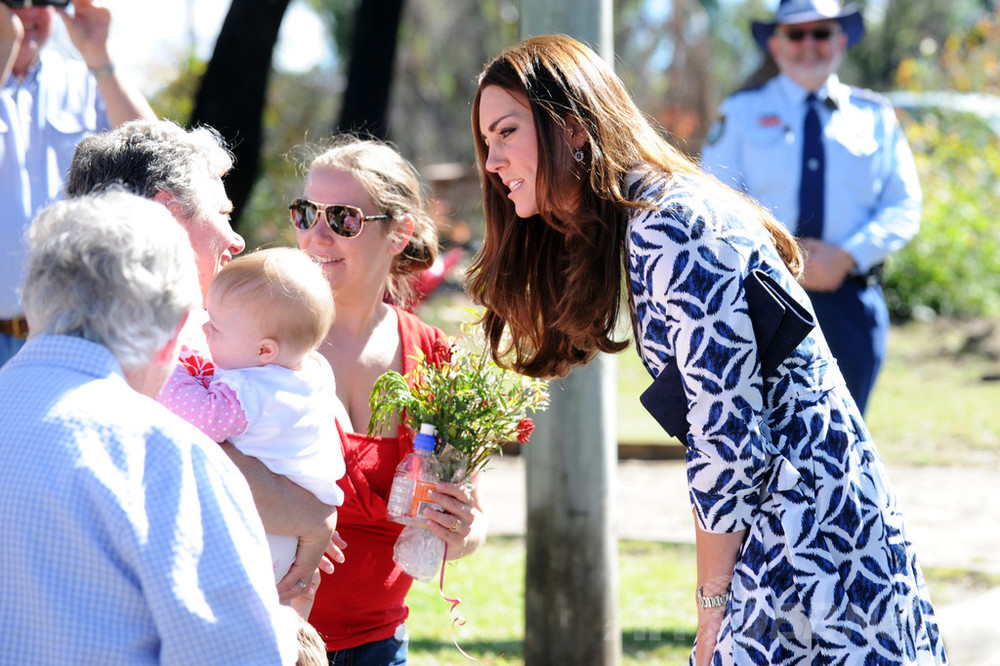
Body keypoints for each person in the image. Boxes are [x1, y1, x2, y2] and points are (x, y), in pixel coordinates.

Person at [467, 35, 947, 665]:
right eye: (486, 143)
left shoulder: (669, 223)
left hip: (812, 558)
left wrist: (710, 609)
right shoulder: (654, 217)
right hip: (812, 540)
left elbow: (730, 438)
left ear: (575, 128)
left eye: (507, 132)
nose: (493, 161)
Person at [0, 190, 299, 664]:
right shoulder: (166, 456)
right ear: (174, 331)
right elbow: (237, 656)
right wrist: (285, 630)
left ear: (35, 303)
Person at [63, 118, 342, 603]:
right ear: (165, 215)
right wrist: (314, 519)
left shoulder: (201, 325)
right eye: (223, 213)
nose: (237, 240)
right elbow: (204, 455)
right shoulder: (119, 340)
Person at [291, 136, 487, 664]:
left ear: (399, 233)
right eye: (306, 213)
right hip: (272, 634)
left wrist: (463, 527)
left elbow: (467, 525)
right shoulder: (264, 338)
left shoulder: (434, 356)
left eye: (344, 218)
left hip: (383, 644)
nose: (317, 234)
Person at [699, 0, 922, 415]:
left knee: (847, 443)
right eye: (796, 34)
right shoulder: (741, 114)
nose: (809, 44)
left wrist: (847, 256)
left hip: (850, 302)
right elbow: (714, 204)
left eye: (821, 33)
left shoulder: (876, 118)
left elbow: (903, 205)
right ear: (777, 45)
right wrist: (782, 257)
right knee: (769, 440)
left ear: (840, 40)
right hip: (763, 301)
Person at [159, 247, 347, 582]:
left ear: (264, 350)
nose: (205, 331)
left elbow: (204, 420)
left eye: (214, 327)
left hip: (256, 532)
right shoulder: (313, 371)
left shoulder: (252, 389)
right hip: (293, 530)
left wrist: (167, 372)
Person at [0, 0, 156, 366]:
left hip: (74, 333)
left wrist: (98, 53)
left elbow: (157, 156)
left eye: (39, 1)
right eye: (11, 2)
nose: (26, 13)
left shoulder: (86, 80)